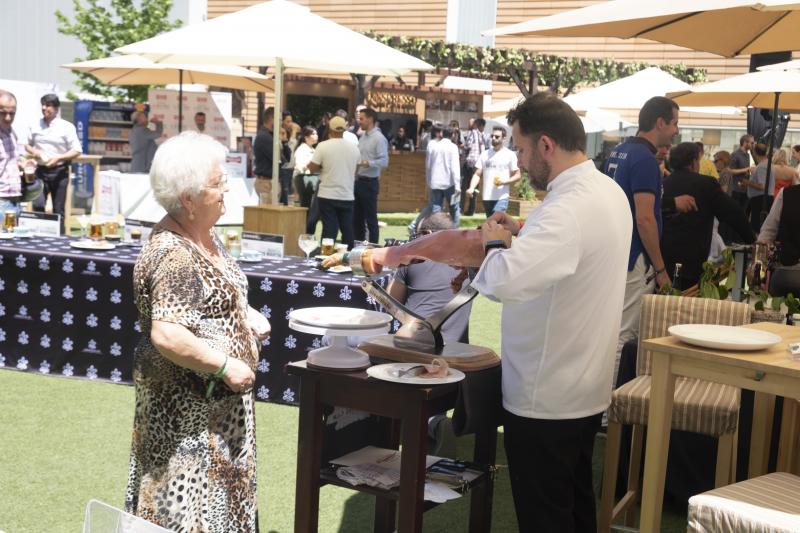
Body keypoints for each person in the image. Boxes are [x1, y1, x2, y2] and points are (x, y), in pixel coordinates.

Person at [472, 92, 632, 532]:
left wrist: (491, 241)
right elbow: (570, 255)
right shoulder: (607, 191)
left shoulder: (568, 207)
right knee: (575, 509)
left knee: (548, 518)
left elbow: (505, 281)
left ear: (546, 145)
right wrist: (523, 231)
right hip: (582, 386)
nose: (519, 163)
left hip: (546, 395)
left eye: (521, 150)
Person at [125, 131, 270, 532]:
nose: (226, 189)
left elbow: (211, 297)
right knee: (183, 516)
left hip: (218, 416)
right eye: (217, 182)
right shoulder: (175, 253)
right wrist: (226, 365)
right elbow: (168, 334)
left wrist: (244, 312)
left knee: (220, 511)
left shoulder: (204, 235)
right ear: (188, 199)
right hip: (187, 418)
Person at [604, 96, 693, 383]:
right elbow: (644, 218)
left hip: (615, 253)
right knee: (623, 334)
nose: (677, 129)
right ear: (660, 122)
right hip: (634, 258)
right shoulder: (645, 159)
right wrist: (660, 269)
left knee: (609, 330)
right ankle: (607, 414)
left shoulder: (620, 151)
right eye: (675, 122)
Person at [661, 142, 754, 288]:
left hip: (663, 261)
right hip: (692, 262)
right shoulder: (706, 184)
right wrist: (752, 239)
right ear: (693, 162)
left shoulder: (664, 184)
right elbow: (733, 213)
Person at [25, 93, 81, 232]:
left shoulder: (67, 127)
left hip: (59, 171)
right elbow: (26, 145)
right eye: (43, 105)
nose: (44, 108)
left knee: (58, 209)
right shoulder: (35, 125)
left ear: (56, 108)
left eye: (48, 105)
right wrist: (36, 152)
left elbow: (76, 150)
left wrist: (58, 158)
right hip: (39, 171)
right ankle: (37, 238)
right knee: (38, 205)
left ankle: (59, 240)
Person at [307, 116, 360, 249]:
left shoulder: (323, 146)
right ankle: (348, 259)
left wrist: (323, 166)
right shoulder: (354, 148)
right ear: (345, 129)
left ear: (329, 129)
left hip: (327, 194)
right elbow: (356, 169)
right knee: (347, 229)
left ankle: (326, 258)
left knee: (329, 229)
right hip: (347, 195)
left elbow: (312, 167)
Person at [408, 123, 461, 236]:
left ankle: (437, 233)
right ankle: (455, 233)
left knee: (436, 210)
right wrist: (458, 185)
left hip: (435, 182)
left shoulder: (433, 145)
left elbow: (428, 165)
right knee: (454, 208)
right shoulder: (453, 147)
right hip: (450, 183)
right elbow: (455, 168)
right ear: (452, 134)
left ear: (442, 133)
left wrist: (429, 180)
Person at [467, 126, 521, 216]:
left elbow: (517, 174)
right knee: (491, 224)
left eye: (496, 137)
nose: (493, 138)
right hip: (487, 197)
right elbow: (477, 174)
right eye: (492, 136)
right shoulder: (484, 154)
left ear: (503, 138)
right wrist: (471, 188)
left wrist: (505, 181)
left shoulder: (510, 155)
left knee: (497, 221)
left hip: (502, 197)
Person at [758, 183, 800, 296]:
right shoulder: (786, 194)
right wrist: (758, 268)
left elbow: (767, 234)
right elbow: (766, 235)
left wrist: (758, 268)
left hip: (787, 274)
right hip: (788, 274)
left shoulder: (786, 194)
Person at [354, 107, 389, 244]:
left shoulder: (379, 139)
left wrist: (367, 163)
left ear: (370, 119)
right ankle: (357, 248)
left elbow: (384, 161)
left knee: (370, 219)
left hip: (370, 183)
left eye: (361, 119)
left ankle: (373, 249)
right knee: (356, 219)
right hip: (358, 181)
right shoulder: (363, 137)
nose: (359, 121)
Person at [293, 126, 320, 232]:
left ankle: (309, 232)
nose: (316, 136)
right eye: (313, 134)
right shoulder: (301, 149)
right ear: (306, 137)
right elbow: (300, 167)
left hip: (311, 179)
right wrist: (311, 166)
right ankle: (305, 232)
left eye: (316, 133)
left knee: (311, 208)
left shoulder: (312, 149)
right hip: (304, 179)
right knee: (307, 207)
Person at [743, 142, 774, 233]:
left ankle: (758, 244)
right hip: (762, 199)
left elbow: (762, 186)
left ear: (755, 153)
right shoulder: (766, 165)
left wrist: (747, 182)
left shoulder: (762, 167)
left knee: (757, 225)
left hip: (760, 200)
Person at [0, 90, 22, 215]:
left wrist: (23, 163)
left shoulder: (11, 131)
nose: (8, 118)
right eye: (3, 113)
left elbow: (12, 160)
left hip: (16, 198)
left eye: (12, 113)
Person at [462, 117, 489, 215]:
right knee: (475, 187)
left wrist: (461, 146)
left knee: (467, 186)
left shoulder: (472, 132)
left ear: (476, 124)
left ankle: (464, 209)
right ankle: (472, 209)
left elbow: (467, 146)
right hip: (480, 164)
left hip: (470, 162)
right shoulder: (484, 135)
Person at [253, 107, 275, 204]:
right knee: (267, 216)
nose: (281, 123)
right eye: (279, 119)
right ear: (271, 118)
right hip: (265, 182)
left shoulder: (269, 135)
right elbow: (279, 159)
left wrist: (285, 141)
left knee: (267, 215)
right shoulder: (265, 136)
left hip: (267, 182)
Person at [729, 134, 754, 209]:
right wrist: (747, 169)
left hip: (745, 189)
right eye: (751, 143)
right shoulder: (735, 154)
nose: (753, 145)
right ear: (745, 142)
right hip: (736, 189)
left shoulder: (748, 154)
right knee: (735, 212)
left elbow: (744, 169)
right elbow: (730, 171)